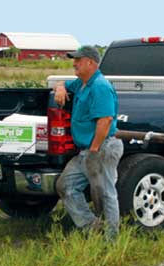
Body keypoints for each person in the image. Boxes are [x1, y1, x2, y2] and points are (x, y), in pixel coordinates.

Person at [53, 46, 124, 238]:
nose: (74, 64)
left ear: (91, 63)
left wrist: (93, 151)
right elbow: (64, 83)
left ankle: (111, 239)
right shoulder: (82, 84)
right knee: (65, 185)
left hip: (102, 148)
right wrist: (60, 87)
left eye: (78, 60)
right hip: (86, 150)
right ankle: (92, 228)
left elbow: (105, 120)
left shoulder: (100, 86)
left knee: (105, 193)